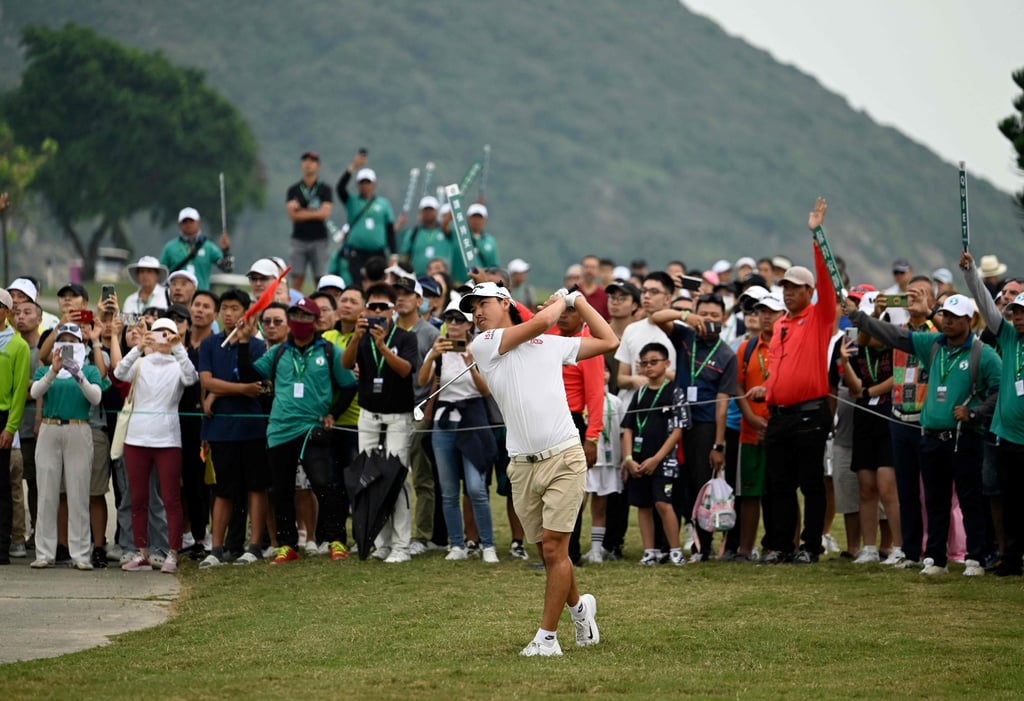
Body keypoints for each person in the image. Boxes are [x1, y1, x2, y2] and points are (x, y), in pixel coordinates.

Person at [462, 281, 617, 657]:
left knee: (553, 549)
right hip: (521, 465)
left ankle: (547, 639)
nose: (477, 313)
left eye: (483, 303)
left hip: (564, 455)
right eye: (473, 308)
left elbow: (608, 340)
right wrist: (563, 300)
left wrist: (577, 300)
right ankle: (581, 609)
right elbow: (542, 320)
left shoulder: (549, 344)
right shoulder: (482, 345)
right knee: (549, 553)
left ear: (505, 303)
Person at [847, 292, 1000, 576]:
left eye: (955, 317)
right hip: (931, 436)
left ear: (969, 319)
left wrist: (976, 412)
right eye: (945, 316)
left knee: (969, 498)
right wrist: (860, 318)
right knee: (935, 499)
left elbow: (999, 389)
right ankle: (935, 558)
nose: (949, 321)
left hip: (965, 436)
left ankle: (975, 557)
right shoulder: (933, 345)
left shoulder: (983, 353)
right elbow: (894, 336)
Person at [239, 297, 355, 564]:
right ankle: (287, 545)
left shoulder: (329, 351)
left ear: (315, 322)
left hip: (313, 428)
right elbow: (249, 376)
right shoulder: (279, 352)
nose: (300, 323)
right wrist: (244, 342)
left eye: (306, 317)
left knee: (324, 485)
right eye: (296, 317)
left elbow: (349, 385)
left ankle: (335, 540)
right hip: (279, 430)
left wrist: (333, 415)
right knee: (281, 490)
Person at [760, 198, 836, 565]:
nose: (788, 292)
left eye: (795, 287)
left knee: (810, 483)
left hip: (809, 413)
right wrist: (769, 390)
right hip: (780, 414)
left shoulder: (820, 317)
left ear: (809, 292)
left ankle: (811, 546)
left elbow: (827, 279)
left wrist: (816, 235)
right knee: (779, 483)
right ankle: (781, 545)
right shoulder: (780, 324)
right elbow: (780, 369)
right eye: (785, 287)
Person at [651, 292, 738, 560]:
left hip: (704, 426)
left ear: (723, 319)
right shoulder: (685, 336)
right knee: (673, 482)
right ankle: (667, 544)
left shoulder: (726, 355)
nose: (709, 320)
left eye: (715, 315)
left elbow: (723, 403)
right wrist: (686, 316)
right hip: (676, 421)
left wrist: (718, 444)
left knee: (701, 484)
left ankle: (705, 546)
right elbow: (656, 317)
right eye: (705, 313)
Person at [115, 317, 199, 573]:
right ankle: (142, 552)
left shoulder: (178, 365)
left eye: (168, 333)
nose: (163, 337)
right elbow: (119, 373)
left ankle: (172, 553)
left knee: (171, 499)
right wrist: (139, 346)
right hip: (136, 440)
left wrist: (178, 348)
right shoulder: (141, 362)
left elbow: (191, 377)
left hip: (167, 440)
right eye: (158, 333)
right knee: (138, 498)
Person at [418, 300, 498, 562]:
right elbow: (421, 381)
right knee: (449, 489)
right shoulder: (438, 349)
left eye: (459, 320)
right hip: (444, 420)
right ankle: (456, 544)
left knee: (476, 487)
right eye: (449, 319)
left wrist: (471, 363)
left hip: (472, 419)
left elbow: (486, 390)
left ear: (468, 324)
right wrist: (432, 355)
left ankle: (487, 545)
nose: (453, 324)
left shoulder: (477, 348)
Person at [960, 252, 1024, 576]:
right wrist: (971, 273)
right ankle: (1011, 558)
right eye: (1014, 312)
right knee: (1010, 500)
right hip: (1008, 435)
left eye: (1023, 312)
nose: (1017, 317)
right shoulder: (1009, 337)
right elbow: (985, 305)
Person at [198, 289, 272, 567]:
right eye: (225, 308)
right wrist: (240, 389)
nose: (229, 314)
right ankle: (216, 549)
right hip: (220, 430)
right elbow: (207, 382)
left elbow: (260, 384)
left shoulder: (255, 345)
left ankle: (253, 546)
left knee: (256, 487)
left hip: (252, 429)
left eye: (235, 308)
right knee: (222, 489)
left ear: (246, 312)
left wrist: (223, 388)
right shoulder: (209, 345)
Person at [28, 323, 103, 569]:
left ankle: (81, 553)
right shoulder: (45, 370)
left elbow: (95, 397)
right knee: (47, 491)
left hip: (78, 428)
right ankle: (44, 553)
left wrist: (77, 374)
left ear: (81, 344)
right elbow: (36, 391)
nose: (67, 345)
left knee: (78, 491)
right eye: (63, 340)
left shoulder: (89, 370)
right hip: (50, 428)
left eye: (73, 340)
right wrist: (53, 371)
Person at [840, 292, 903, 565]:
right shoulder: (855, 344)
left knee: (888, 487)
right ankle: (868, 547)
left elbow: (898, 377)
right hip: (864, 417)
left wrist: (868, 390)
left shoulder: (896, 343)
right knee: (866, 487)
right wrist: (844, 362)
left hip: (889, 415)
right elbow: (853, 389)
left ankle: (899, 547)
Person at [548, 300, 605, 566]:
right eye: (561, 311)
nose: (563, 316)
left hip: (573, 421)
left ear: (583, 316)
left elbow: (595, 396)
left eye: (571, 311)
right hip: (549, 420)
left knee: (571, 491)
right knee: (549, 489)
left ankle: (570, 553)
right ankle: (554, 551)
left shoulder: (588, 346)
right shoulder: (552, 339)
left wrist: (592, 437)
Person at [621, 342, 687, 566]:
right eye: (644, 363)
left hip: (663, 461)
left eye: (654, 362)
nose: (648, 367)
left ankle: (675, 550)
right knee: (643, 506)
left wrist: (657, 458)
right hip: (638, 461)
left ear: (667, 363)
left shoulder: (675, 391)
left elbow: (678, 430)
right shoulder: (638, 394)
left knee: (663, 503)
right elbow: (628, 427)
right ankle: (650, 550)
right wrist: (628, 458)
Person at [392, 276, 441, 554]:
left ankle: (421, 536)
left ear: (419, 301)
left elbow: (436, 378)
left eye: (407, 294)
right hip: (389, 411)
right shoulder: (387, 329)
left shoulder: (429, 333)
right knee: (391, 475)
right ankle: (391, 533)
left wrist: (427, 415)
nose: (401, 298)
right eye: (397, 293)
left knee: (421, 477)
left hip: (418, 410)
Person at [734, 294, 785, 560]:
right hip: (750, 428)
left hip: (782, 427)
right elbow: (738, 386)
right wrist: (751, 418)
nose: (765, 316)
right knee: (749, 493)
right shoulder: (747, 347)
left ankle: (783, 545)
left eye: (772, 311)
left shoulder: (788, 344)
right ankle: (745, 549)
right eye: (762, 311)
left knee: (781, 491)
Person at [0, 288, 31, 565]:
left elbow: (20, 390)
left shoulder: (17, 345)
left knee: (4, 487)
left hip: (3, 417)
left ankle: (4, 544)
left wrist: (10, 427)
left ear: (8, 312)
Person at [335, 152, 397, 289]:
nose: (365, 185)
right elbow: (340, 188)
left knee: (379, 284)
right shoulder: (352, 201)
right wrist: (353, 167)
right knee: (358, 283)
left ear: (374, 184)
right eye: (362, 182)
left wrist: (393, 254)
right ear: (357, 185)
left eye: (368, 182)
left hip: (378, 253)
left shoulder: (383, 204)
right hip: (357, 252)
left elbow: (390, 230)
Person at [10, 300, 43, 557]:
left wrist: (27, 388)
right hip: (12, 426)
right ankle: (16, 534)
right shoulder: (10, 345)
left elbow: (39, 387)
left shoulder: (42, 351)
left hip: (33, 426)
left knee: (35, 483)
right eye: (17, 312)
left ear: (39, 319)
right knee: (12, 485)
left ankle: (37, 532)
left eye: (27, 312)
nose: (21, 317)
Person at [286, 151, 333, 292]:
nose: (308, 164)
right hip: (299, 239)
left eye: (312, 161)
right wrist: (314, 212)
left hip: (319, 239)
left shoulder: (325, 189)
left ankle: (322, 307)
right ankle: (294, 306)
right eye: (305, 161)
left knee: (320, 278)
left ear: (318, 166)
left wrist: (301, 209)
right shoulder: (293, 189)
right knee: (297, 278)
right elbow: (293, 216)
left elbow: (324, 214)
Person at [159, 206, 232, 292]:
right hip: (177, 296)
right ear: (179, 225)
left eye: (191, 221)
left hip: (201, 296)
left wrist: (226, 251)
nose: (188, 224)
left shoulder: (208, 246)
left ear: (198, 223)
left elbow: (227, 268)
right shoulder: (170, 247)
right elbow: (161, 274)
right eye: (185, 222)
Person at [399, 197, 452, 277]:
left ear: (436, 211)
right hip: (418, 278)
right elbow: (404, 255)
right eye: (425, 210)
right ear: (421, 212)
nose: (428, 213)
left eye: (431, 210)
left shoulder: (445, 230)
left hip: (442, 278)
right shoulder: (414, 232)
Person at [449, 203, 500, 283]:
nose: (476, 221)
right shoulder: (458, 235)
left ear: (485, 220)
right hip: (457, 284)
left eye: (479, 218)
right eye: (473, 217)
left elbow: (494, 268)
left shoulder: (490, 241)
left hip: (480, 286)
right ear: (467, 219)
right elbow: (445, 225)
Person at [579, 255, 609, 319]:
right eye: (586, 267)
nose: (589, 270)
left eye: (593, 267)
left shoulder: (604, 295)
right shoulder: (574, 292)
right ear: (582, 269)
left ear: (598, 270)